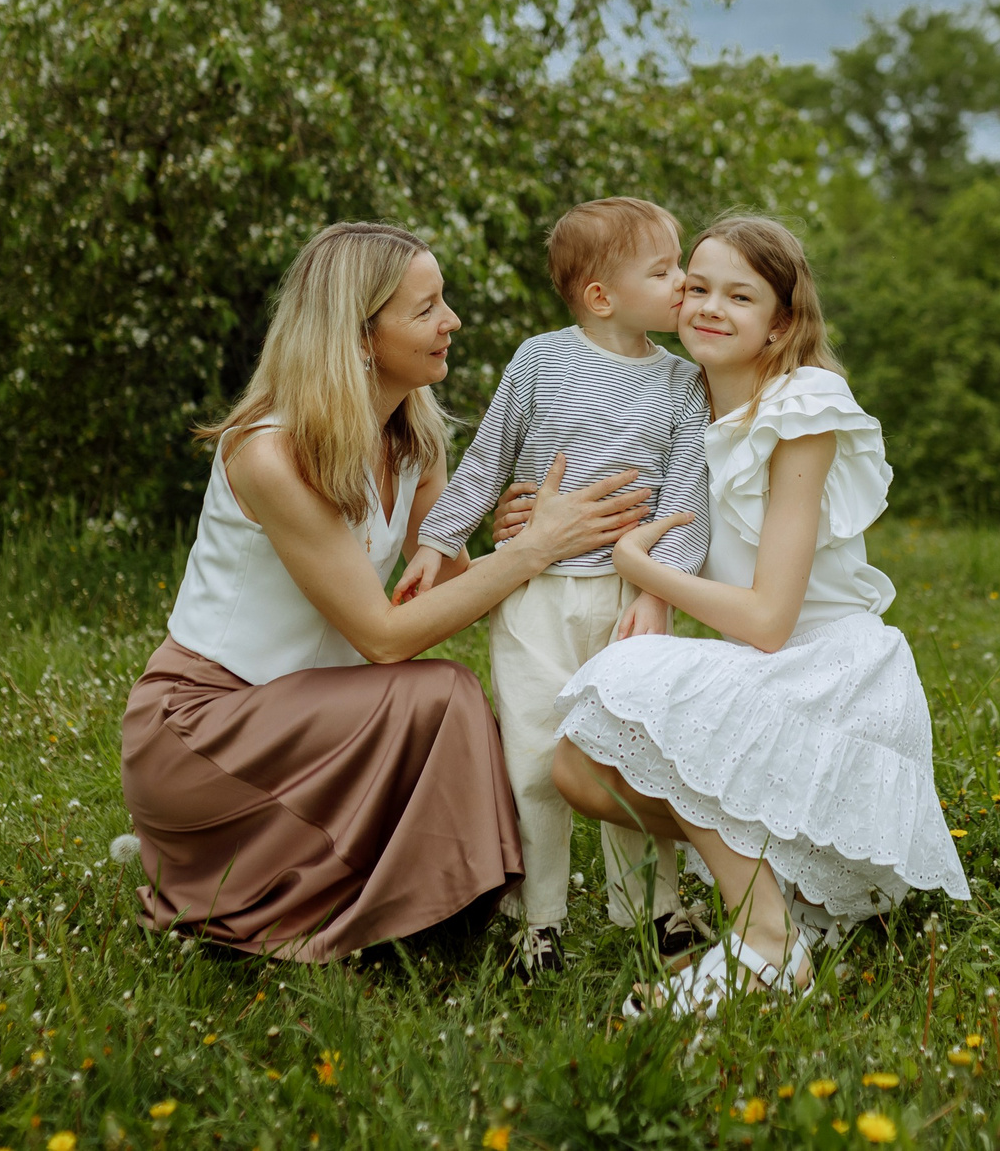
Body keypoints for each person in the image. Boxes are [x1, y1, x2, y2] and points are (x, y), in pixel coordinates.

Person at [117, 222, 651, 963]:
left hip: (314, 721)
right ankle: (416, 919)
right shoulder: (270, 453)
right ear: (361, 338)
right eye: (427, 308)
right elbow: (386, 634)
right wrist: (535, 549)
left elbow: (458, 588)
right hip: (204, 727)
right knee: (438, 696)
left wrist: (528, 538)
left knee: (452, 707)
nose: (451, 322)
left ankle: (421, 912)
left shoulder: (411, 442)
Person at [541, 216, 970, 1012]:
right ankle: (764, 889)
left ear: (781, 319)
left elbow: (771, 618)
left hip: (831, 673)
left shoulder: (803, 406)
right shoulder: (678, 396)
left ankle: (766, 940)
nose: (709, 306)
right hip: (769, 671)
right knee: (574, 766)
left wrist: (646, 575)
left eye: (740, 295)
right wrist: (530, 514)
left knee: (628, 679)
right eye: (696, 287)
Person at [395, 197, 715, 977]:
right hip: (535, 595)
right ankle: (540, 920)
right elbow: (487, 459)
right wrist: (440, 542)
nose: (684, 283)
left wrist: (659, 593)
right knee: (534, 752)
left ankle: (652, 909)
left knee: (632, 753)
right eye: (664, 269)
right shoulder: (539, 360)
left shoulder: (684, 381)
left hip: (626, 597)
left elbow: (686, 492)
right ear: (602, 294)